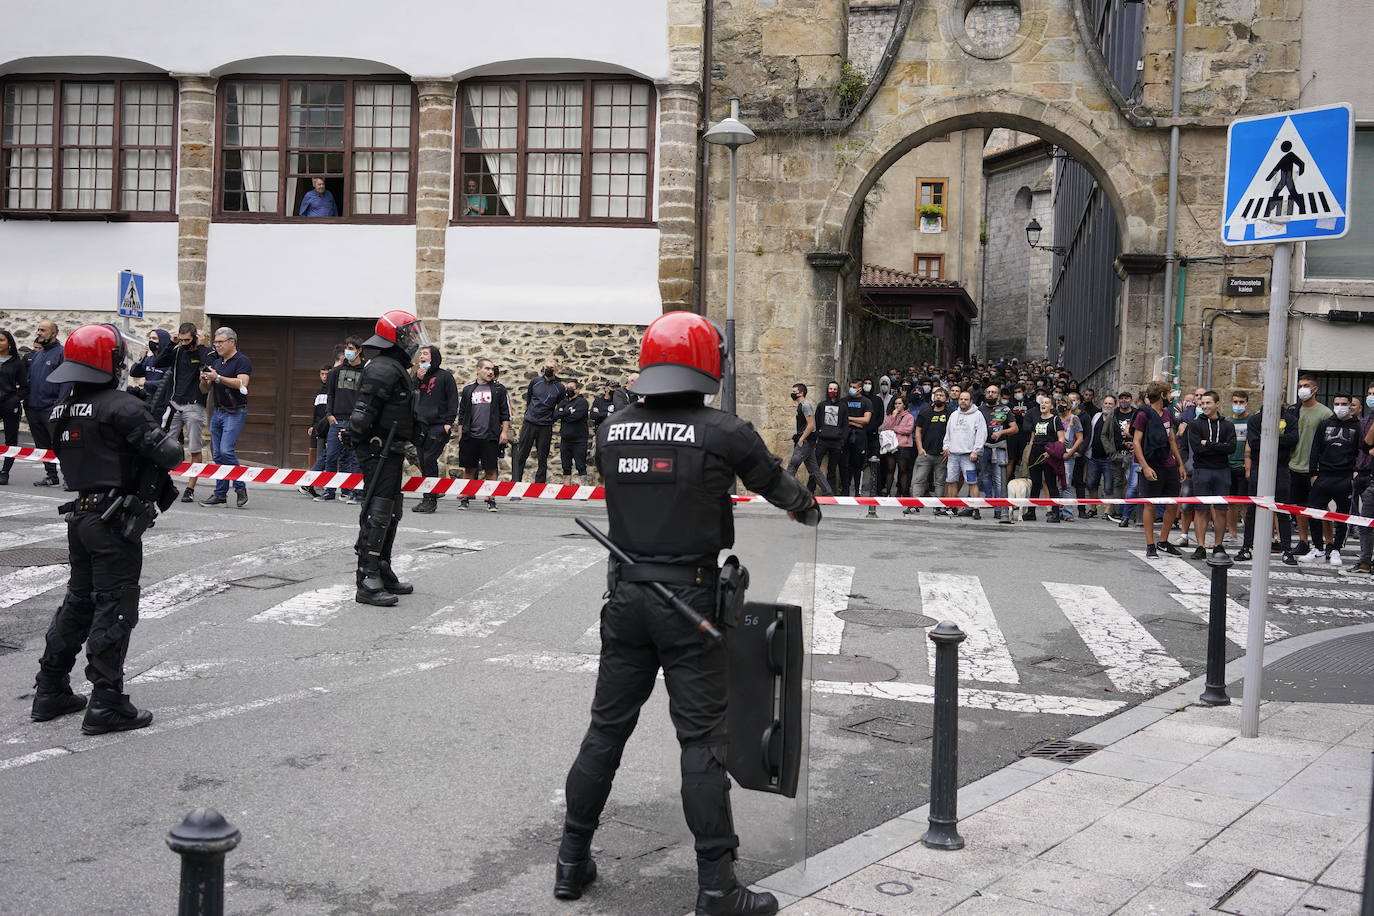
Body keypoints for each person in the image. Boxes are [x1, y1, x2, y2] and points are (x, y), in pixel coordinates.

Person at [554, 310, 819, 916]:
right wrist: (805, 506)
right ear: (707, 365)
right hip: (691, 601)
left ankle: (571, 862)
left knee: (605, 730)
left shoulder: (611, 428)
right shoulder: (724, 431)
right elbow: (778, 485)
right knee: (701, 741)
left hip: (625, 599)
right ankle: (717, 888)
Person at [29, 323, 182, 733]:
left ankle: (50, 689)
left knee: (78, 603)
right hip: (114, 521)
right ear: (109, 361)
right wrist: (147, 414)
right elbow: (170, 454)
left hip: (80, 516)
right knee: (114, 606)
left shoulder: (59, 410)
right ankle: (106, 701)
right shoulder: (121, 406)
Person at [345, 309, 425, 606]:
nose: (413, 340)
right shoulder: (382, 368)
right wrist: (356, 436)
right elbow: (364, 411)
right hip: (378, 448)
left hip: (391, 447)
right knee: (378, 512)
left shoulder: (393, 366)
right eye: (408, 334)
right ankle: (367, 578)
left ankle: (382, 568)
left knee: (391, 510)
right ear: (394, 338)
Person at [150, 323, 214, 503]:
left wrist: (200, 347)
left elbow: (206, 369)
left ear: (195, 337)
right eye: (182, 339)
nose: (184, 343)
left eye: (188, 340)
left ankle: (190, 488)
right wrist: (171, 343)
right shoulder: (178, 351)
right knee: (163, 445)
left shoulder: (205, 351)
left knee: (194, 448)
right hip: (174, 403)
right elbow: (158, 362)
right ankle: (161, 482)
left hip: (194, 405)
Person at [1301, 394, 1361, 566]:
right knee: (1313, 511)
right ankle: (1318, 548)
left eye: (1344, 403)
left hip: (1344, 477)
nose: (1340, 406)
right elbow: (1315, 449)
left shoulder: (1358, 426)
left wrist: (1355, 473)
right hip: (1324, 476)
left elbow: (1360, 452)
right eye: (1336, 403)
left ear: (1350, 405)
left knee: (1342, 516)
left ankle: (1335, 550)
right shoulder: (1325, 424)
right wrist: (1313, 473)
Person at [1238, 397, 1300, 565]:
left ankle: (1287, 550)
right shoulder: (1255, 420)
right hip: (1259, 466)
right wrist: (1278, 440)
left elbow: (1293, 439)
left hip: (1280, 468)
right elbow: (1254, 442)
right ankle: (1247, 547)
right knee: (1252, 510)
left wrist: (1269, 439)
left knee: (1283, 510)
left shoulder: (1291, 419)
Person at [199, 327, 252, 508]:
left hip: (235, 411)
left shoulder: (242, 360)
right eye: (215, 342)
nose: (217, 345)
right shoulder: (217, 362)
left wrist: (218, 377)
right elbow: (204, 390)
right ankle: (220, 494)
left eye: (220, 342)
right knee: (217, 456)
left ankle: (240, 486)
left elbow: (242, 383)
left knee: (226, 451)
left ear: (232, 342)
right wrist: (205, 379)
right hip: (218, 411)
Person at [1134, 381, 1187, 558]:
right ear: (1163, 395)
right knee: (1150, 505)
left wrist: (1179, 463)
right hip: (1152, 463)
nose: (1172, 397)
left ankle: (1163, 541)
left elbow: (1172, 439)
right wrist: (1145, 467)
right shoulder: (1143, 415)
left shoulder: (1167, 414)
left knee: (1172, 503)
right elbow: (1136, 442)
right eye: (1170, 393)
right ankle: (1150, 544)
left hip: (1169, 464)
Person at [1184, 391, 1237, 560]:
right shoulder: (1194, 425)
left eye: (1208, 403)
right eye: (1202, 404)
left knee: (1221, 510)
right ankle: (1200, 546)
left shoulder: (1228, 425)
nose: (1205, 406)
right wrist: (1218, 446)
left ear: (1217, 404)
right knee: (1201, 509)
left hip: (1222, 470)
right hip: (1202, 470)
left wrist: (1208, 443)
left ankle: (1218, 544)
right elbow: (1197, 449)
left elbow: (1231, 448)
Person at [456, 358, 511, 511]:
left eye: (492, 369)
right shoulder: (468, 390)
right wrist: (461, 434)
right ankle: (466, 497)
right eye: (487, 368)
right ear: (478, 369)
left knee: (491, 469)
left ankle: (490, 499)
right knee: (469, 468)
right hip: (470, 436)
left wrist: (504, 432)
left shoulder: (499, 390)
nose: (490, 372)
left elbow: (505, 413)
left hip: (490, 436)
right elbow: (462, 413)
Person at [316, 338, 367, 504]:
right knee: (331, 456)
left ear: (359, 350)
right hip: (337, 420)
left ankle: (352, 492)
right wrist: (329, 413)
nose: (348, 351)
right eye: (347, 348)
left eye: (351, 348)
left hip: (355, 422)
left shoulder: (365, 372)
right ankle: (329, 490)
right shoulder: (336, 372)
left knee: (353, 459)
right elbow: (330, 394)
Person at [412, 345, 459, 513]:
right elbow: (409, 396)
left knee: (429, 459)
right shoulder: (416, 377)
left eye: (426, 354)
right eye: (420, 354)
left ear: (434, 357)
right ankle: (428, 497)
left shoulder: (445, 376)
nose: (421, 357)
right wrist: (417, 379)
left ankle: (430, 498)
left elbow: (453, 400)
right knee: (423, 461)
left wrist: (448, 423)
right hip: (420, 426)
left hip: (438, 426)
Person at [513, 358, 567, 487]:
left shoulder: (559, 387)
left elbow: (561, 406)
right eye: (547, 367)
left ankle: (539, 486)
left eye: (552, 368)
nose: (549, 369)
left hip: (545, 426)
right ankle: (515, 483)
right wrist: (529, 414)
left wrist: (551, 418)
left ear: (556, 370)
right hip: (530, 423)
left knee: (542, 457)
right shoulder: (535, 382)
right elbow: (529, 399)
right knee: (521, 454)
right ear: (543, 368)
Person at [24, 320, 65, 486]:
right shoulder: (38, 354)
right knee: (42, 445)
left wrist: (59, 404)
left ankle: (69, 478)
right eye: (38, 329)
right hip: (33, 407)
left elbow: (66, 381)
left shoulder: (62, 353)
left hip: (51, 407)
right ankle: (51, 476)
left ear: (53, 333)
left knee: (59, 444)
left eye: (43, 330)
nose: (39, 332)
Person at [944, 389, 987, 519]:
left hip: (968, 456)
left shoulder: (978, 415)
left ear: (971, 401)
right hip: (953, 455)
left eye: (966, 399)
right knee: (951, 481)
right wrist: (946, 447)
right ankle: (952, 507)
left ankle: (975, 509)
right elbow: (948, 433)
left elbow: (981, 434)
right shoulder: (953, 415)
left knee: (972, 482)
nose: (963, 401)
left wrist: (976, 451)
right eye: (961, 399)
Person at [907, 387, 951, 516]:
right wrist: (920, 448)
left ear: (946, 399)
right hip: (925, 453)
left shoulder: (950, 413)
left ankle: (938, 507)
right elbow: (918, 431)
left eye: (941, 395)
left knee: (940, 482)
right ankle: (914, 505)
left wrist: (949, 449)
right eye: (936, 395)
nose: (938, 397)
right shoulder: (925, 411)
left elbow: (954, 432)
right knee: (919, 479)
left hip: (942, 454)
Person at [978, 384, 1017, 522]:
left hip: (1000, 447)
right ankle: (989, 501)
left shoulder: (1005, 410)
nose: (990, 394)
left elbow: (1015, 429)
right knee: (984, 476)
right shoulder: (979, 410)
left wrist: (1001, 432)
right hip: (983, 447)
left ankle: (999, 509)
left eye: (993, 392)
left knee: (999, 478)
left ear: (998, 395)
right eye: (988, 392)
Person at [785, 382, 833, 497]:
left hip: (805, 442)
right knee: (814, 470)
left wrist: (801, 439)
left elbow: (811, 425)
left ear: (801, 393)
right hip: (807, 442)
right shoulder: (801, 405)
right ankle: (828, 492)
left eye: (794, 391)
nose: (792, 393)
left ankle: (783, 492)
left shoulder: (805, 405)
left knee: (792, 466)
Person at [1022, 394, 1064, 523]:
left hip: (1048, 454)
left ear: (1051, 406)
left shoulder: (1055, 420)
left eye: (1046, 402)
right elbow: (1032, 439)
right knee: (1035, 483)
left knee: (1051, 483)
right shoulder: (1037, 419)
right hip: (1036, 452)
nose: (1043, 404)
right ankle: (1031, 512)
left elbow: (1061, 440)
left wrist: (1051, 453)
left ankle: (1055, 513)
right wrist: (1028, 454)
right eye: (1042, 402)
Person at [1351, 392, 1374, 576]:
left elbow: (1368, 446)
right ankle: (1365, 562)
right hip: (1368, 476)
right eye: (1370, 394)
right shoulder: (1366, 421)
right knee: (1365, 521)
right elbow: (1364, 447)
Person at [1226, 391, 1252, 545]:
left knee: (1245, 502)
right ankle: (1232, 532)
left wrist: (1248, 465)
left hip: (1244, 465)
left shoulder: (1251, 421)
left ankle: (1248, 533)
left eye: (1241, 402)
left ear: (1247, 402)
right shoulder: (1228, 422)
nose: (1238, 405)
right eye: (1235, 401)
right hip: (1229, 465)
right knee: (1231, 502)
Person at [555, 379, 591, 485]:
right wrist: (568, 412)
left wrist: (563, 414)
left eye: (571, 388)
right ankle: (566, 489)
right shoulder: (564, 401)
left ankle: (585, 490)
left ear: (578, 390)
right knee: (566, 466)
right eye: (568, 388)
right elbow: (556, 414)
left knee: (580, 465)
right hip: (565, 440)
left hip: (579, 440)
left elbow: (576, 417)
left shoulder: (582, 402)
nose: (569, 390)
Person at [813, 381, 846, 495]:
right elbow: (816, 422)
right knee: (815, 466)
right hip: (822, 441)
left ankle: (830, 493)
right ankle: (809, 490)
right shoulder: (822, 405)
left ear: (838, 391)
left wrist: (842, 440)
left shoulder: (842, 406)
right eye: (830, 389)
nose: (832, 391)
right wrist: (818, 434)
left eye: (835, 389)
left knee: (832, 469)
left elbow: (845, 425)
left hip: (836, 442)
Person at [0, 329, 24, 485]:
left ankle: (5, 472)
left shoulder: (17, 362)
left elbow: (24, 387)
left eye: (1, 340)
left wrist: (14, 400)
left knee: (11, 439)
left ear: (9, 343)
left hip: (9, 405)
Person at [881, 395, 915, 500]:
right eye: (895, 403)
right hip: (892, 446)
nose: (897, 405)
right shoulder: (890, 415)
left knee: (903, 469)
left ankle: (903, 492)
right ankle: (887, 492)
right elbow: (886, 428)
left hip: (903, 445)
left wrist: (895, 428)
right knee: (890, 469)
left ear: (904, 405)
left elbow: (908, 430)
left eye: (899, 403)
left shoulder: (909, 416)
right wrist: (893, 417)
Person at [127, 328, 171, 404]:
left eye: (154, 338)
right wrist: (141, 359)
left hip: (162, 403)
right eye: (150, 338)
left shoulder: (169, 361)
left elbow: (169, 383)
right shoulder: (149, 359)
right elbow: (133, 373)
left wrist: (146, 383)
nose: (151, 341)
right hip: (147, 400)